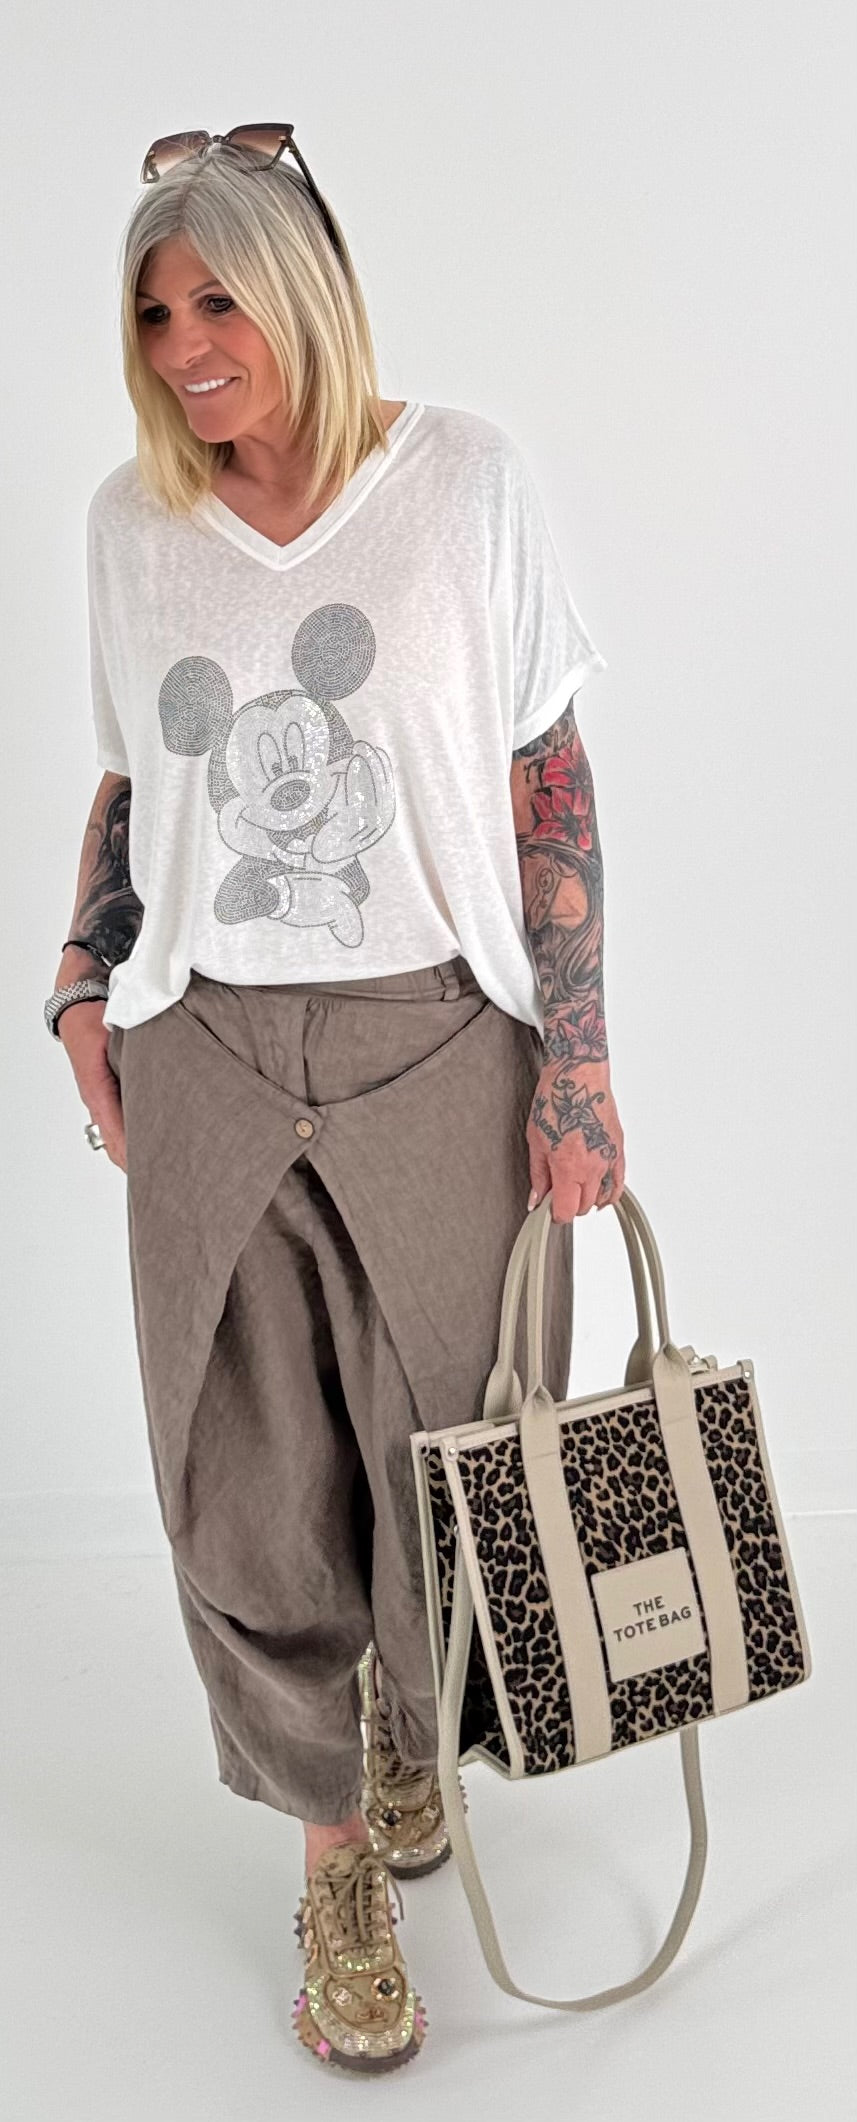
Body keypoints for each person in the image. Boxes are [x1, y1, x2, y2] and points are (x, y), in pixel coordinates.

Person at [44, 126, 625, 2075]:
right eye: (154, 311)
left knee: (449, 1452)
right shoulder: (133, 525)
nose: (187, 346)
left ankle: (413, 1738)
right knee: (239, 1477)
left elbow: (548, 769)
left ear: (300, 289)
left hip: (436, 1044)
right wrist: (78, 984)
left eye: (219, 297)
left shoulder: (461, 481)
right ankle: (333, 1862)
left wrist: (580, 1060)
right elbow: (135, 781)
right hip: (206, 1050)